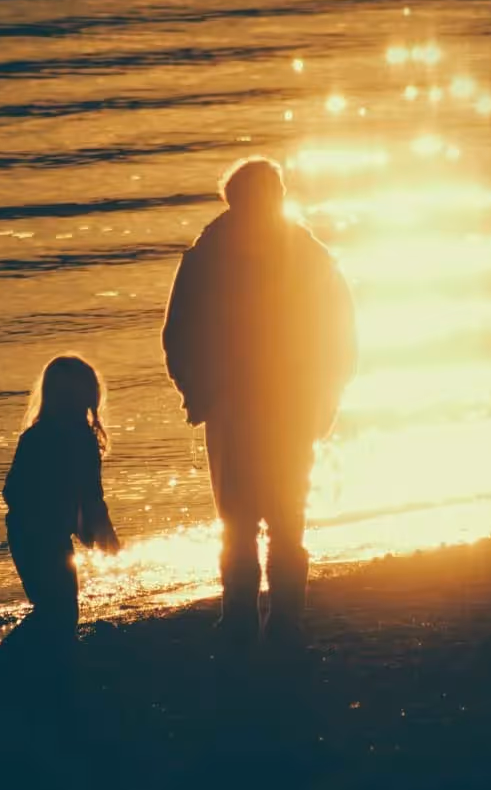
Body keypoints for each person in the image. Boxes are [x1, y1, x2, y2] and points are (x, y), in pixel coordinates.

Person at [162, 156, 357, 645]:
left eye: (268, 195)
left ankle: (276, 620)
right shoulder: (210, 257)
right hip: (237, 408)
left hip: (283, 408)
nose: (264, 204)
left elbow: (340, 335)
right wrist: (196, 393)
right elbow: (178, 335)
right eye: (258, 196)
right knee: (245, 521)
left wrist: (327, 397)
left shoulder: (305, 257)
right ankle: (247, 618)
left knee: (276, 520)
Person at [3, 354, 121, 650]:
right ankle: (9, 659)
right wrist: (100, 532)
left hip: (30, 534)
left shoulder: (42, 436)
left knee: (56, 607)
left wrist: (91, 527)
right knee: (59, 609)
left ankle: (32, 660)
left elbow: (12, 491)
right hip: (39, 535)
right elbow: (91, 496)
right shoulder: (70, 439)